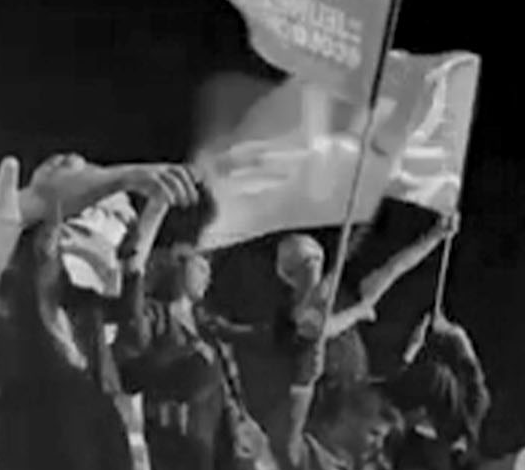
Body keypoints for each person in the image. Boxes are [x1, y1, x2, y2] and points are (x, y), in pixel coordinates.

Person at [268, 213, 458, 467]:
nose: (313, 267)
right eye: (305, 263)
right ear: (290, 274)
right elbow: (318, 333)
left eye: (315, 260)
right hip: (338, 407)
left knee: (421, 389)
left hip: (357, 391)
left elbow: (392, 271)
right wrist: (359, 312)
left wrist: (435, 237)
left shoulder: (338, 297)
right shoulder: (293, 317)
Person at [113, 190, 272, 470]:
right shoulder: (155, 316)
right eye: (202, 260)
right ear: (177, 259)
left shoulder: (209, 326)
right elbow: (132, 336)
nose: (208, 272)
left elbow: (259, 342)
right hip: (169, 454)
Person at [0, 213, 135, 468]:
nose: (52, 248)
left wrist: (129, 258)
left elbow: (126, 308)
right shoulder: (3, 340)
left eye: (56, 241)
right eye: (45, 240)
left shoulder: (81, 311)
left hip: (94, 444)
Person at [378, 310, 490, 470]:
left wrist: (408, 356)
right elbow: (472, 372)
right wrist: (451, 331)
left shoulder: (398, 449)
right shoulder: (470, 415)